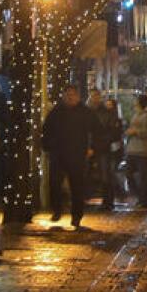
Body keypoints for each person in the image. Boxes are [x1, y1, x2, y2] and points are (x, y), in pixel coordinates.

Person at [41, 87, 98, 228]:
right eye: (68, 95)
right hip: (58, 154)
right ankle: (57, 210)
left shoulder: (85, 112)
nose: (70, 98)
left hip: (77, 154)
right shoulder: (57, 111)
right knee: (55, 183)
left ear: (78, 96)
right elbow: (46, 130)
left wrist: (92, 148)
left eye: (73, 95)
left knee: (77, 186)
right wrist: (48, 147)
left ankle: (76, 216)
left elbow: (97, 130)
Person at [87, 89, 122, 210]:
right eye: (92, 96)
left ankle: (108, 202)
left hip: (102, 149)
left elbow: (111, 132)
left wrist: (96, 146)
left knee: (105, 176)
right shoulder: (88, 111)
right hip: (92, 148)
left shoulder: (105, 113)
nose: (94, 98)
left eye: (96, 96)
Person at [126, 95, 147, 209]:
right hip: (132, 149)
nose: (134, 102)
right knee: (129, 174)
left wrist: (136, 131)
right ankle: (141, 197)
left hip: (144, 150)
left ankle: (144, 200)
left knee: (145, 177)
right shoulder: (135, 114)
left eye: (136, 101)